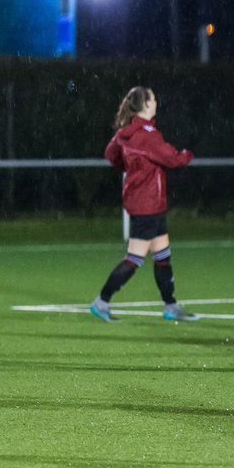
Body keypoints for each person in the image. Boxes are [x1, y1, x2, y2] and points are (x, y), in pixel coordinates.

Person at [90, 86, 196, 323]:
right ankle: (101, 301)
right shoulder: (148, 134)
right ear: (146, 104)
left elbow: (111, 154)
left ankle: (170, 306)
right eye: (154, 99)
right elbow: (172, 158)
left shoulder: (125, 132)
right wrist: (187, 154)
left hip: (148, 203)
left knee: (163, 254)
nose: (156, 102)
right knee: (135, 258)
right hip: (147, 204)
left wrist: (131, 167)